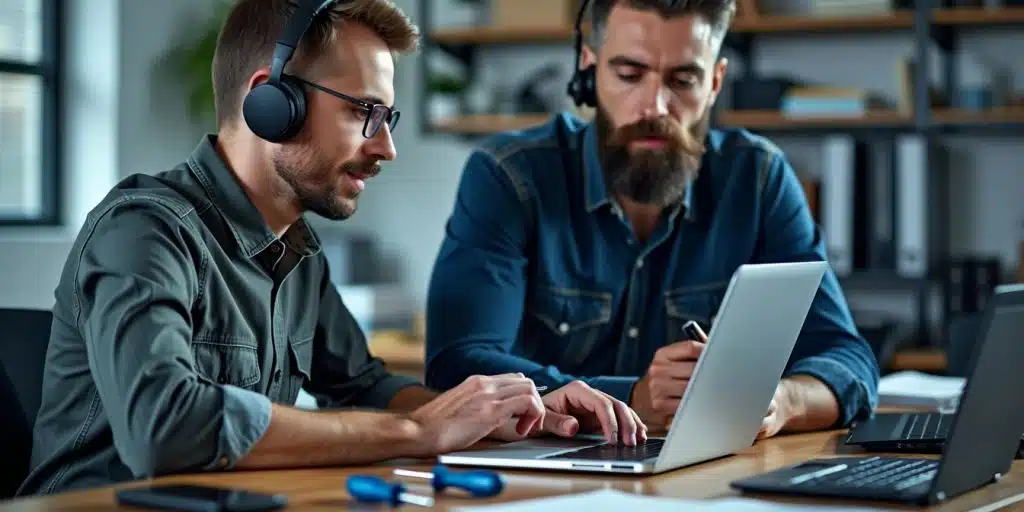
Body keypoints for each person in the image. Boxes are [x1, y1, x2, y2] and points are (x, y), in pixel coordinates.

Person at [18, 0, 645, 497]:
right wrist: (416, 431)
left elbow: (367, 386)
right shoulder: (145, 230)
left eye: (388, 118)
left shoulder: (298, 254)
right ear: (271, 103)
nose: (386, 148)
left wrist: (493, 419)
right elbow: (165, 426)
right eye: (366, 112)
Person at [424, 0, 880, 438]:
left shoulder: (758, 179)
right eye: (629, 74)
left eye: (683, 80)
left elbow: (848, 360)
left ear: (716, 81)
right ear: (589, 66)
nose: (656, 107)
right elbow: (458, 364)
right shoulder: (509, 176)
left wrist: (780, 401)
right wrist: (633, 397)